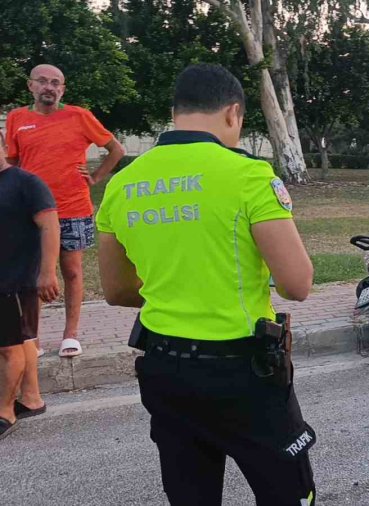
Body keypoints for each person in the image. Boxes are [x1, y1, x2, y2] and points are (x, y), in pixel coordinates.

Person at [97, 64, 316, 505]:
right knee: (289, 493)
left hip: (164, 369)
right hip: (241, 371)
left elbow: (117, 291)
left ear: (175, 112)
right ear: (233, 113)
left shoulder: (122, 184)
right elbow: (297, 284)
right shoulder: (248, 176)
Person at [5, 64, 126, 358]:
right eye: (43, 81)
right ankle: (32, 338)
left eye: (55, 83)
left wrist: (96, 177)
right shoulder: (16, 118)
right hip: (31, 213)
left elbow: (117, 150)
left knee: (71, 272)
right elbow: (12, 163)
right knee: (31, 275)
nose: (49, 87)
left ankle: (70, 335)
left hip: (73, 208)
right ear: (30, 86)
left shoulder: (79, 116)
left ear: (63, 89)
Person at [0, 130, 59, 440]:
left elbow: (50, 225)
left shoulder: (25, 183)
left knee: (10, 348)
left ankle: (5, 412)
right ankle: (31, 399)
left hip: (15, 282)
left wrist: (47, 273)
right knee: (22, 340)